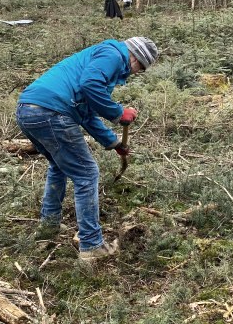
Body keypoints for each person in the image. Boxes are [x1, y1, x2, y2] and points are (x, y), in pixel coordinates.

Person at [16, 37, 159, 262]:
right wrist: (118, 112)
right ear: (136, 57)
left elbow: (86, 112)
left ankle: (49, 225)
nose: (136, 73)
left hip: (29, 111)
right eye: (140, 68)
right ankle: (92, 244)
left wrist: (114, 143)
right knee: (86, 173)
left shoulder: (101, 59)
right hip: (51, 112)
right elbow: (90, 85)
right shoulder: (114, 54)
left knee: (59, 166)